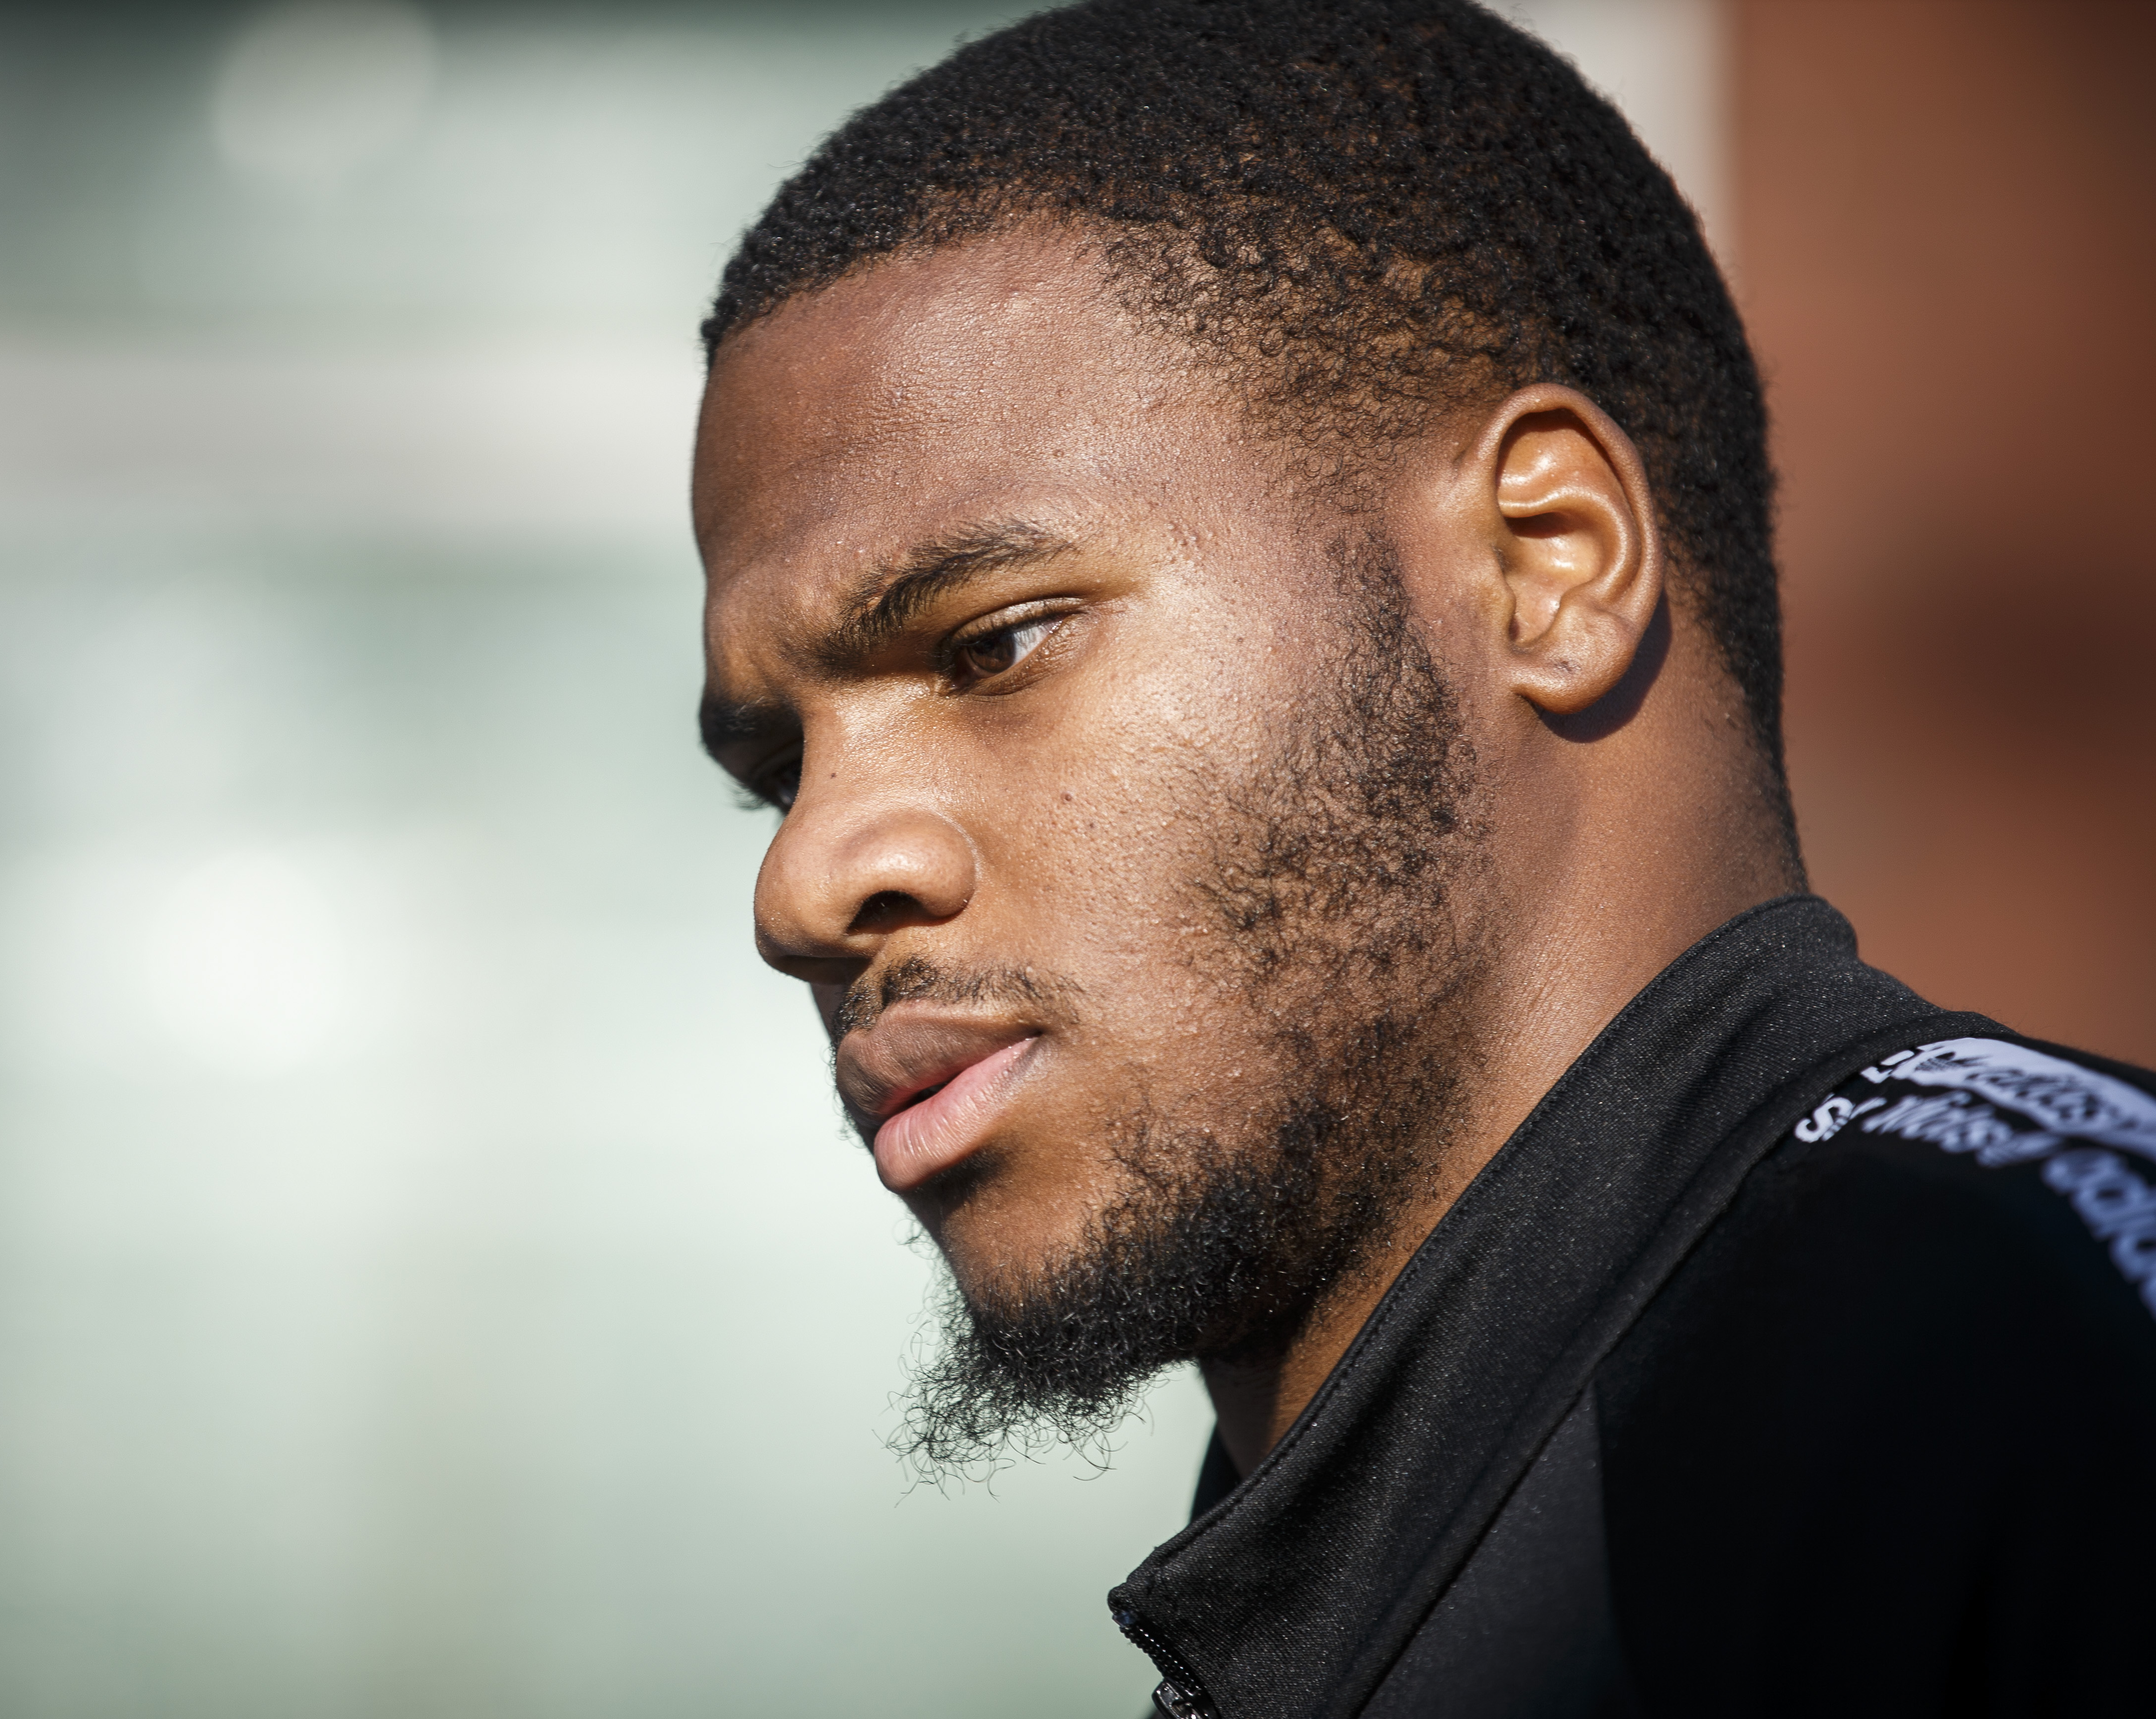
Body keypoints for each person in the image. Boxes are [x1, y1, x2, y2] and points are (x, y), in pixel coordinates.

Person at [689, 1, 2156, 1714]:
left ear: (1547, 567)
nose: (800, 888)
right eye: (777, 764)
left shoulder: (2065, 1338)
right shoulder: (1380, 1569)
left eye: (997, 644)